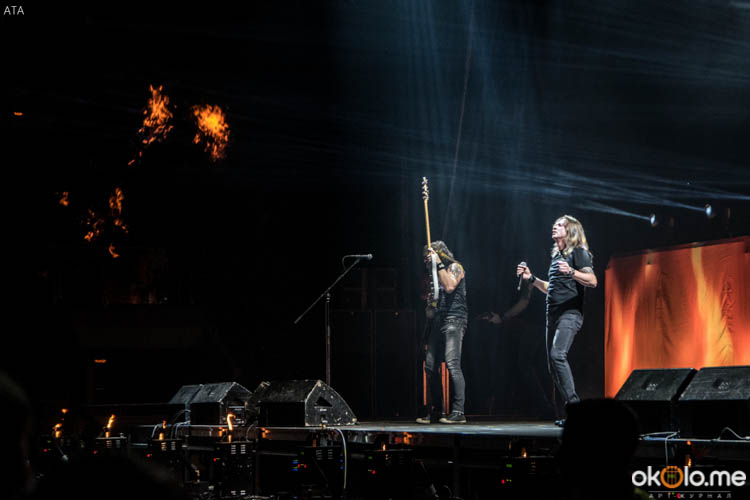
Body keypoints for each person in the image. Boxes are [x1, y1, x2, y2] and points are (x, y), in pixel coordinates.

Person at [516, 215, 597, 425]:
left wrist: (572, 271)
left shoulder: (578, 252)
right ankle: (571, 412)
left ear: (571, 231)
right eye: (555, 224)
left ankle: (576, 410)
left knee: (557, 355)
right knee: (552, 365)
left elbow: (592, 280)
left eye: (560, 225)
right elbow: (550, 288)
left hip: (570, 313)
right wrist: (532, 279)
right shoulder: (556, 257)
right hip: (551, 315)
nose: (555, 226)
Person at [417, 240, 468, 424]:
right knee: (430, 365)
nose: (426, 262)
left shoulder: (455, 267)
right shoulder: (434, 275)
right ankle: (437, 410)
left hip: (454, 319)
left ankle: (458, 411)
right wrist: (430, 305)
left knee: (452, 363)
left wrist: (437, 262)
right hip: (439, 320)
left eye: (428, 258)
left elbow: (450, 286)